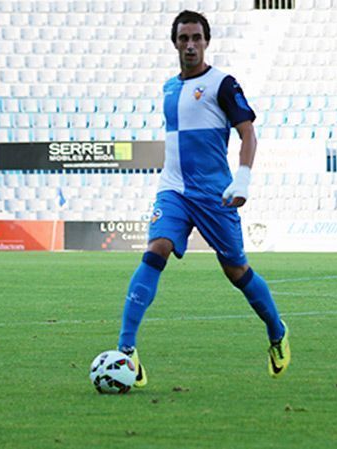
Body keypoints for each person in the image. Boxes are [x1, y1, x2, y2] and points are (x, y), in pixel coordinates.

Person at [116, 10, 290, 387]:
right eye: (184, 38)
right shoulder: (168, 88)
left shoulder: (222, 84)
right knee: (156, 249)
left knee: (236, 270)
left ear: (206, 42)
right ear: (175, 43)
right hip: (173, 187)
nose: (190, 45)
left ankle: (277, 331)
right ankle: (126, 351)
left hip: (214, 193)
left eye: (196, 38)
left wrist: (242, 178)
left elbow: (248, 133)